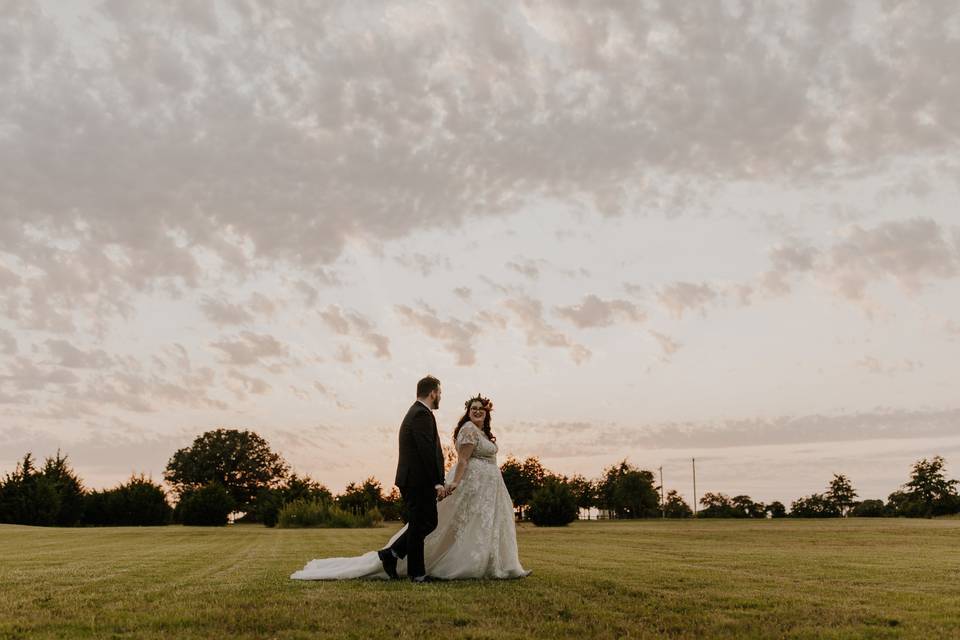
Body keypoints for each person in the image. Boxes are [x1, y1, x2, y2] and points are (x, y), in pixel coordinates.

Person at [290, 384, 530, 581]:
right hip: (421, 480)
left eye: (481, 408)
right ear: (434, 392)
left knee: (424, 523)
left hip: (451, 483)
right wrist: (441, 483)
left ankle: (394, 556)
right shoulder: (421, 415)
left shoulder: (424, 415)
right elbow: (438, 455)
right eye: (473, 408)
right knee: (425, 523)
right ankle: (407, 567)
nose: (477, 411)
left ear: (487, 413)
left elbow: (432, 451)